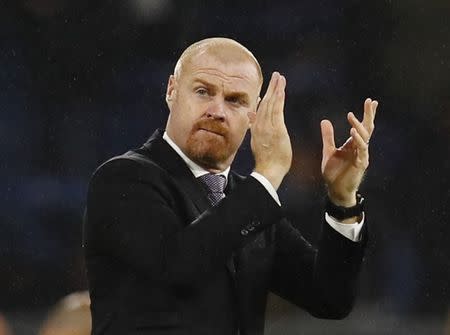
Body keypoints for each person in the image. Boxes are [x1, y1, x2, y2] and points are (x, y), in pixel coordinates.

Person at [83, 37, 378, 335]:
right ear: (172, 90)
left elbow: (330, 298)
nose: (217, 111)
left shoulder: (248, 200)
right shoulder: (123, 179)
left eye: (235, 100)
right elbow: (177, 267)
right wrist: (268, 173)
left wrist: (342, 200)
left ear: (256, 113)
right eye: (202, 91)